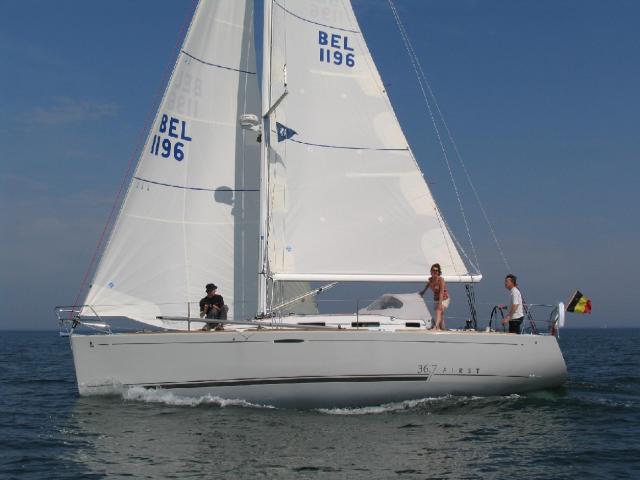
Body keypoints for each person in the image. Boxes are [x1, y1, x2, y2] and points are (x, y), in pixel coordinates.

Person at [418, 263, 450, 330]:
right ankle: (442, 328)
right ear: (431, 271)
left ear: (438, 272)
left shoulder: (441, 280)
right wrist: (423, 292)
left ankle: (436, 327)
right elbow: (428, 285)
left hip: (444, 298)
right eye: (433, 270)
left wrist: (440, 303)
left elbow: (441, 293)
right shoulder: (431, 280)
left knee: (438, 310)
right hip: (436, 299)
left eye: (436, 270)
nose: (435, 272)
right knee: (440, 315)